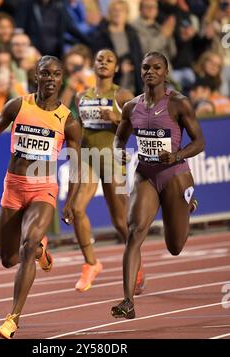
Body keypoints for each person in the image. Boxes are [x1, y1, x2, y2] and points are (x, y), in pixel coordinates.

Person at [0, 55, 82, 338]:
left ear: (61, 79)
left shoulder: (68, 120)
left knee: (26, 246)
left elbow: (77, 165)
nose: (50, 79)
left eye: (56, 74)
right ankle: (41, 251)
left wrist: (71, 200)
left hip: (44, 188)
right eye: (45, 73)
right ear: (35, 76)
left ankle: (12, 318)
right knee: (8, 258)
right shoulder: (18, 105)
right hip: (13, 186)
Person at [111, 51, 205, 319]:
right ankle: (127, 301)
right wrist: (119, 152)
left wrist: (177, 155)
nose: (150, 71)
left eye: (156, 67)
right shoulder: (131, 107)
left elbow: (200, 142)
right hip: (146, 175)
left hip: (175, 175)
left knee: (175, 247)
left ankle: (185, 205)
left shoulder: (178, 103)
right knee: (134, 232)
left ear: (165, 72)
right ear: (140, 72)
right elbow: (119, 139)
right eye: (145, 67)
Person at [72, 48, 145, 293]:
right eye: (99, 59)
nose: (104, 63)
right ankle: (91, 263)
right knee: (76, 208)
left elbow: (143, 127)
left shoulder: (123, 95)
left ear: (116, 68)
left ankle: (137, 265)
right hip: (89, 158)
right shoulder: (81, 96)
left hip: (113, 160)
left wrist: (117, 118)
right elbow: (79, 132)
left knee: (120, 222)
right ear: (93, 65)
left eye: (109, 60)